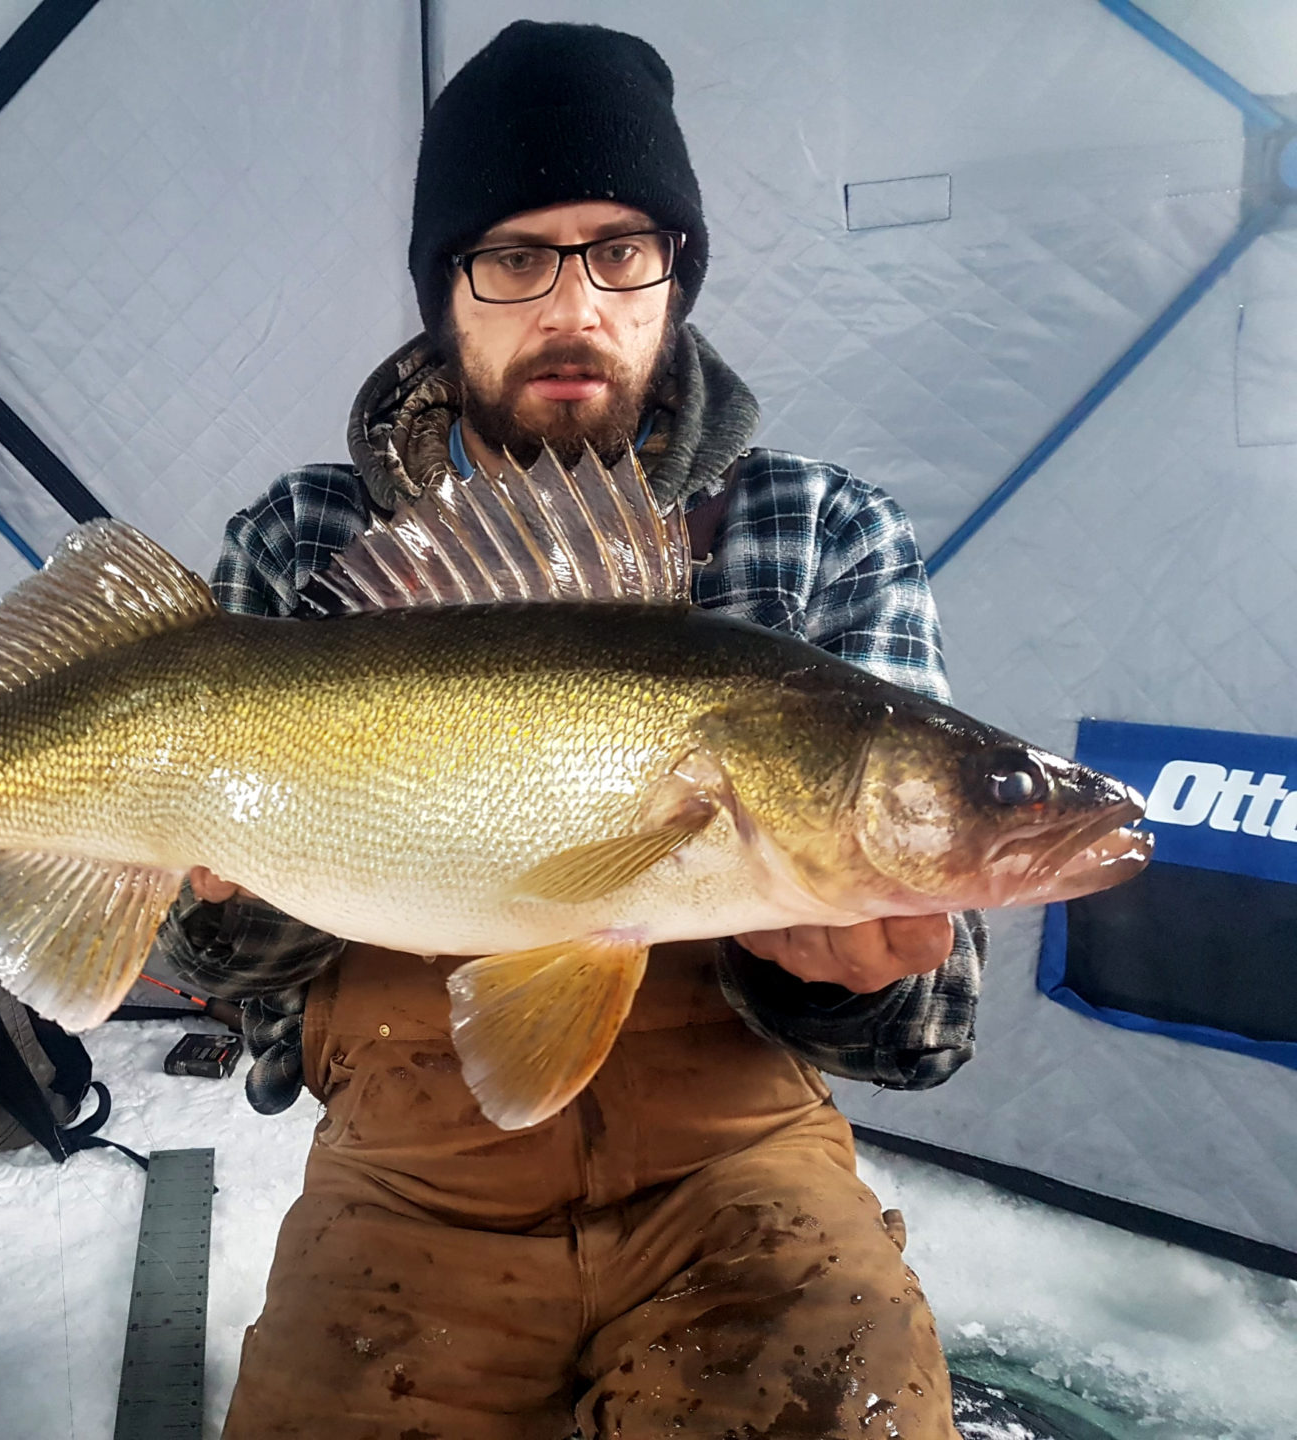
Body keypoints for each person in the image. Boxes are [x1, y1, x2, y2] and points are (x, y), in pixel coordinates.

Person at [156, 21, 978, 1438]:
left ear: (676, 271)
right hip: (406, 1187)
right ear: (445, 292)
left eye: (621, 250)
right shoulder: (303, 540)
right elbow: (220, 979)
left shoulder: (827, 532)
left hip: (741, 1178)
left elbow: (931, 1030)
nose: (575, 306)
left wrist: (854, 978)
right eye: (515, 256)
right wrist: (219, 903)